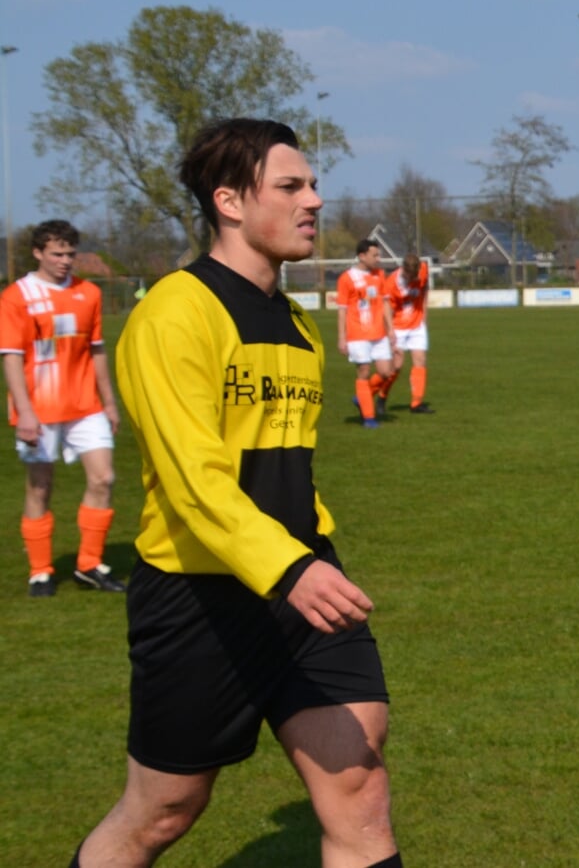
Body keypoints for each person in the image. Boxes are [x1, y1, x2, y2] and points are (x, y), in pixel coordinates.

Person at [74, 118, 399, 867]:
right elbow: (195, 484)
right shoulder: (173, 314)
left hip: (304, 587)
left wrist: (310, 556)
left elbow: (290, 470)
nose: (313, 200)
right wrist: (288, 568)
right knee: (163, 811)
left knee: (359, 786)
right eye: (290, 186)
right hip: (200, 599)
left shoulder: (296, 327)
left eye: (312, 184)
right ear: (228, 200)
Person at [4, 220, 123, 596]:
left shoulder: (88, 293)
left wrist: (109, 402)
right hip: (39, 408)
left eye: (70, 253)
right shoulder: (17, 296)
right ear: (38, 253)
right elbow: (11, 357)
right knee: (40, 487)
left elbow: (97, 349)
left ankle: (90, 564)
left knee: (103, 478)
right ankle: (40, 570)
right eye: (57, 253)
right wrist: (24, 411)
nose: (65, 261)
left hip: (85, 404)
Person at [337, 239, 395, 427]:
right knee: (363, 371)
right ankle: (368, 417)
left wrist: (391, 328)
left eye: (379, 255)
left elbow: (385, 302)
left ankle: (362, 397)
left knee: (386, 372)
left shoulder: (380, 275)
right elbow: (342, 309)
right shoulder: (347, 278)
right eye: (375, 255)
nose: (378, 259)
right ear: (362, 256)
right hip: (357, 332)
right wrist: (342, 337)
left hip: (379, 333)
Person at [385, 253, 433, 414]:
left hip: (417, 324)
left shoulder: (424, 270)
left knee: (420, 360)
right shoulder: (392, 283)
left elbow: (425, 287)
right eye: (409, 276)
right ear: (403, 270)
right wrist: (390, 330)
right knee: (396, 366)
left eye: (415, 276)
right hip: (398, 326)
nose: (412, 279)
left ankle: (416, 403)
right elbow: (387, 309)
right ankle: (382, 395)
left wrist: (424, 312)